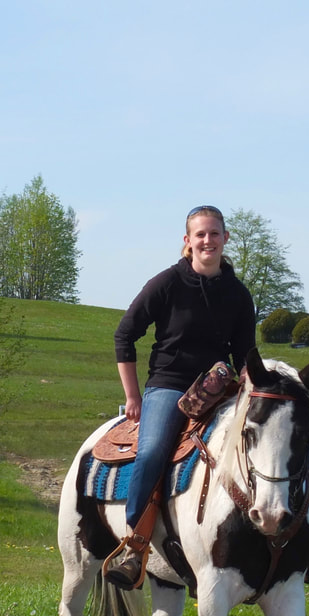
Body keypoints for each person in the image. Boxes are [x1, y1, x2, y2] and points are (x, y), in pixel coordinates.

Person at [104, 205, 256, 589]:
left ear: (225, 238)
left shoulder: (238, 295)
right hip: (169, 387)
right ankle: (134, 545)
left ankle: (285, 539)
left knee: (266, 439)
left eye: (214, 233)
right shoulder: (167, 283)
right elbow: (124, 335)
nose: (208, 240)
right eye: (200, 234)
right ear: (187, 242)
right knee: (154, 451)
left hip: (218, 390)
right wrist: (133, 395)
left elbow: (245, 358)